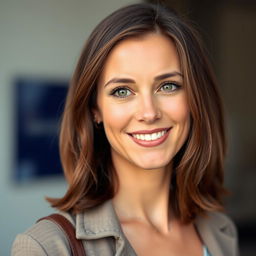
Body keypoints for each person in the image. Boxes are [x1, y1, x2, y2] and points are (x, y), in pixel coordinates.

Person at [12, 3, 239, 256]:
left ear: (195, 98)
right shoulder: (46, 247)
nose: (149, 112)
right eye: (122, 91)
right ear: (94, 109)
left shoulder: (221, 229)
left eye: (168, 86)